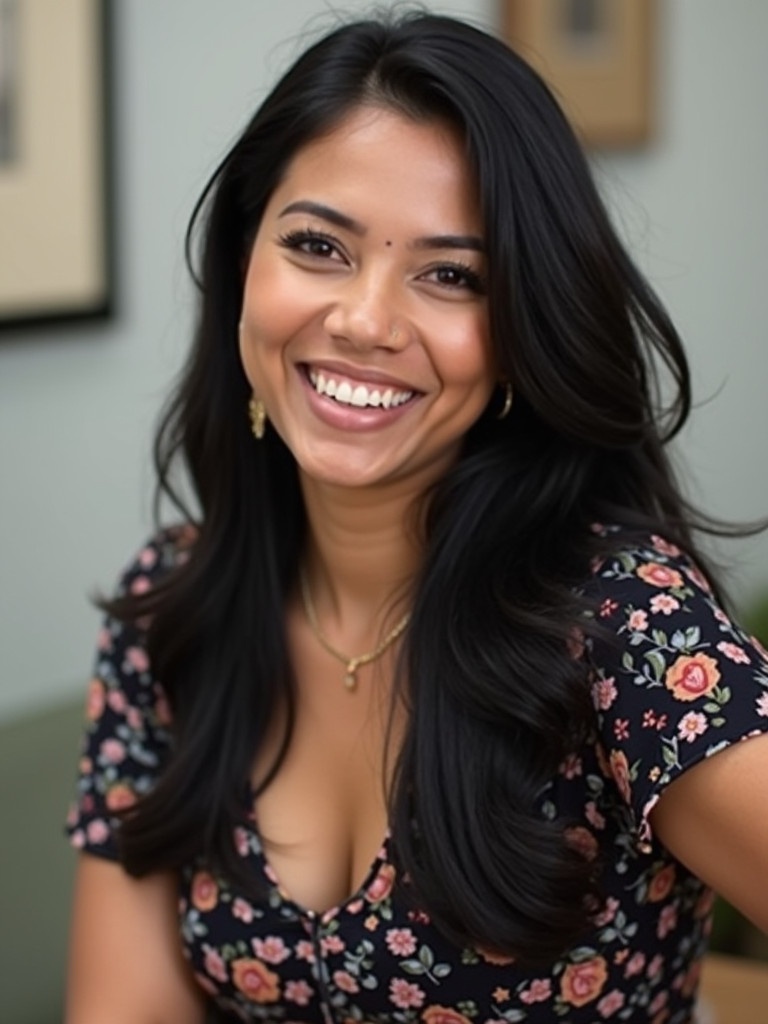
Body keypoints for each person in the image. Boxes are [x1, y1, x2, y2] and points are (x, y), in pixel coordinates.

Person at [64, 11, 768, 1024]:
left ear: (525, 326)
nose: (364, 321)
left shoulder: (624, 624)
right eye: (317, 245)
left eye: (450, 275)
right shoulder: (172, 609)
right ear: (243, 267)